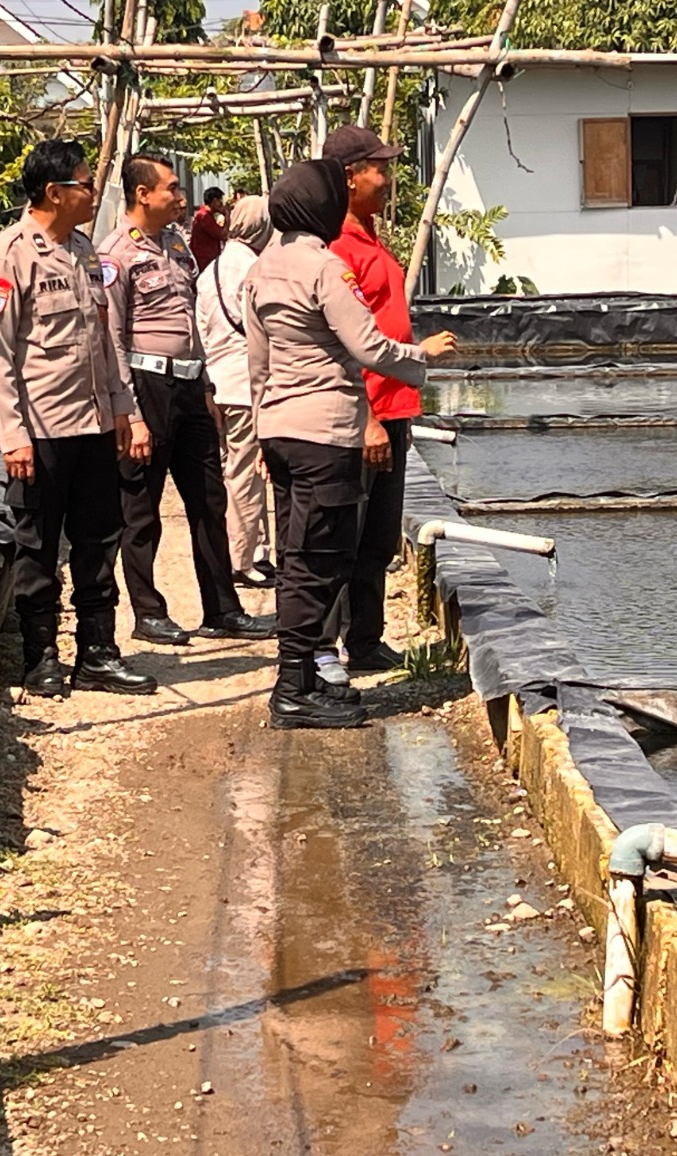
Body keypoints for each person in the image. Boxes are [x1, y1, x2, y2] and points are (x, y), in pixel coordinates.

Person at [245, 159, 456, 729]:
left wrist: (262, 430)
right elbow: (368, 346)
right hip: (325, 432)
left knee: (295, 555)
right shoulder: (324, 268)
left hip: (282, 429)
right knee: (319, 561)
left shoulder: (263, 269)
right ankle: (292, 690)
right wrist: (422, 358)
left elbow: (258, 364)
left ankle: (309, 677)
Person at [0, 138, 157, 697]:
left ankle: (98, 653)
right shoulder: (9, 254)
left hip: (94, 424)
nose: (93, 192)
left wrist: (126, 410)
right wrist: (13, 435)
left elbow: (106, 343)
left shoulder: (83, 251)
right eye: (84, 184)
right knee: (37, 546)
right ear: (53, 193)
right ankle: (40, 658)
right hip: (41, 431)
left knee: (99, 540)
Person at [98, 155, 274, 647]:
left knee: (209, 499)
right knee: (142, 507)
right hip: (147, 387)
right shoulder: (116, 254)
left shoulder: (175, 244)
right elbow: (112, 337)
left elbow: (189, 322)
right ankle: (148, 612)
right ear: (142, 195)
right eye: (172, 189)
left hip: (192, 384)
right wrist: (129, 412)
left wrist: (209, 387)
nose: (182, 198)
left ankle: (222, 608)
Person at [319, 125, 457, 677]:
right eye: (378, 168)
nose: (387, 177)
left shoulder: (371, 235)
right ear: (350, 178)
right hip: (366, 411)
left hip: (395, 406)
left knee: (378, 534)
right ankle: (326, 649)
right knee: (344, 536)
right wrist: (368, 416)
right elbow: (344, 345)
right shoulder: (335, 248)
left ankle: (367, 638)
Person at [195, 194, 275, 591]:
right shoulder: (254, 271)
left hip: (217, 383)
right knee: (246, 472)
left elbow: (202, 331)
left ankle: (256, 550)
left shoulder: (208, 272)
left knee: (233, 467)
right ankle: (241, 559)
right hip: (248, 385)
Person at [189, 186, 229, 271]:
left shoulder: (206, 215)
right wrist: (227, 216)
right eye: (220, 201)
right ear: (214, 201)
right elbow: (223, 235)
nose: (222, 204)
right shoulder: (204, 216)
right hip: (205, 260)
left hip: (207, 259)